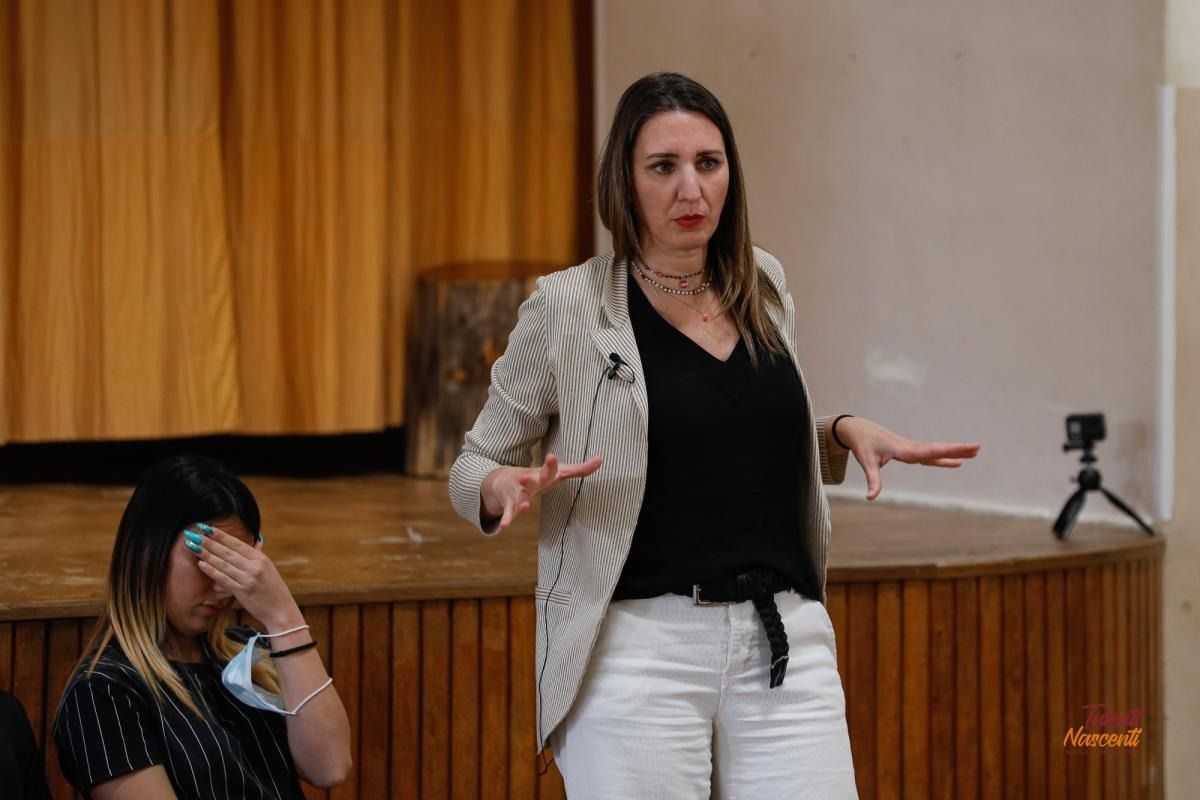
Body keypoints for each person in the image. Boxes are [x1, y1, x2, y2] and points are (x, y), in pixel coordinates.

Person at [449, 72, 980, 798]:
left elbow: (729, 430)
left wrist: (841, 433)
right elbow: (473, 462)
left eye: (708, 162)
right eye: (663, 167)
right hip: (638, 651)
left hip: (785, 642)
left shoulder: (762, 284)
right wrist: (499, 486)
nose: (690, 190)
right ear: (625, 183)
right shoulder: (566, 307)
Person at [53, 456, 351, 799]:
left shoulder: (247, 651)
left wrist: (284, 616)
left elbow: (330, 765)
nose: (224, 587)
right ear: (148, 550)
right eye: (205, 560)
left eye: (234, 565)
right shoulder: (103, 693)